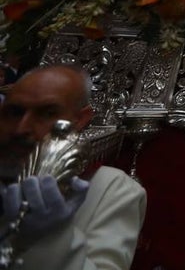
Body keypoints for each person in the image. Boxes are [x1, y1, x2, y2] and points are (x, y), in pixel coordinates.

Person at [0, 64, 146, 269]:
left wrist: (52, 238)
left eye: (47, 113)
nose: (22, 128)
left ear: (80, 119)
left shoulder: (111, 187)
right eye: (14, 112)